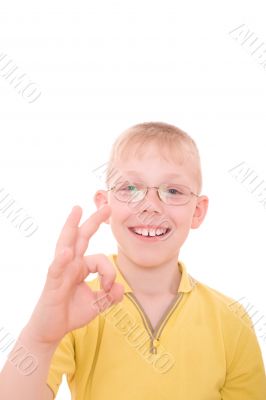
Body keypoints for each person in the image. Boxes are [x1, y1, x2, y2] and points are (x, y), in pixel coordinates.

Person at [0, 122, 265, 399]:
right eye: (129, 188)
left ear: (197, 211)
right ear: (105, 205)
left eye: (173, 191)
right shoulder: (77, 305)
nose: (150, 205)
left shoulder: (231, 319)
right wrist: (40, 338)